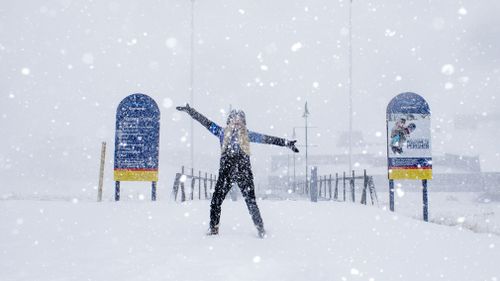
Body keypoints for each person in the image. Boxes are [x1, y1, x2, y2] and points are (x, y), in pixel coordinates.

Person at [176, 104, 299, 238]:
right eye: (234, 118)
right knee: (216, 201)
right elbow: (206, 122)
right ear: (229, 121)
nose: (237, 121)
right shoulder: (221, 133)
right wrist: (191, 111)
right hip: (226, 172)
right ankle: (213, 228)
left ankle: (260, 229)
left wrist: (286, 143)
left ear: (243, 122)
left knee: (251, 202)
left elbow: (268, 139)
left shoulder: (248, 135)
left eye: (239, 119)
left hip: (243, 171)